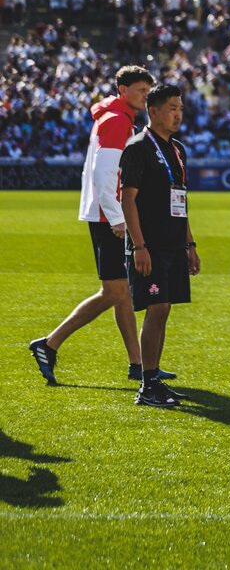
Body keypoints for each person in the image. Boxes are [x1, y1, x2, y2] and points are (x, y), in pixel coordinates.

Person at [30, 65, 155, 386]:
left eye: (147, 90)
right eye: (141, 90)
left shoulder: (115, 117)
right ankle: (50, 343)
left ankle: (138, 364)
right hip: (107, 216)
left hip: (104, 213)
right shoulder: (116, 121)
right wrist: (117, 218)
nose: (146, 96)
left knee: (123, 293)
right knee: (114, 291)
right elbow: (105, 175)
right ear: (123, 90)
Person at [119, 84, 200, 408]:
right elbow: (128, 199)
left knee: (164, 309)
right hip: (149, 246)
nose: (178, 114)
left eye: (180, 108)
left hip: (173, 244)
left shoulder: (177, 149)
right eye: (171, 108)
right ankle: (147, 384)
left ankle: (154, 379)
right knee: (157, 307)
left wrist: (189, 243)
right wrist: (139, 246)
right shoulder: (138, 147)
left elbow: (181, 200)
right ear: (153, 111)